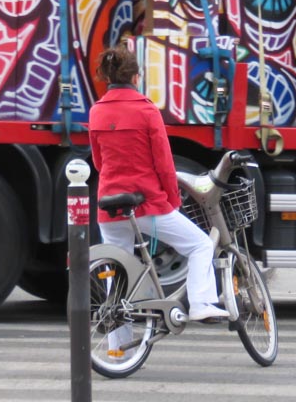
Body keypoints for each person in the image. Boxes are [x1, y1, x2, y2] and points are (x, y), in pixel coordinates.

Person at [89, 45, 227, 331]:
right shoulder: (146, 110)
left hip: (109, 205)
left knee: (118, 273)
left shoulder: (96, 112)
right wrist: (172, 201)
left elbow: (99, 162)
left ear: (108, 77)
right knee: (200, 245)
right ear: (136, 77)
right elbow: (164, 164)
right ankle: (201, 304)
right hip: (146, 204)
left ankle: (117, 348)